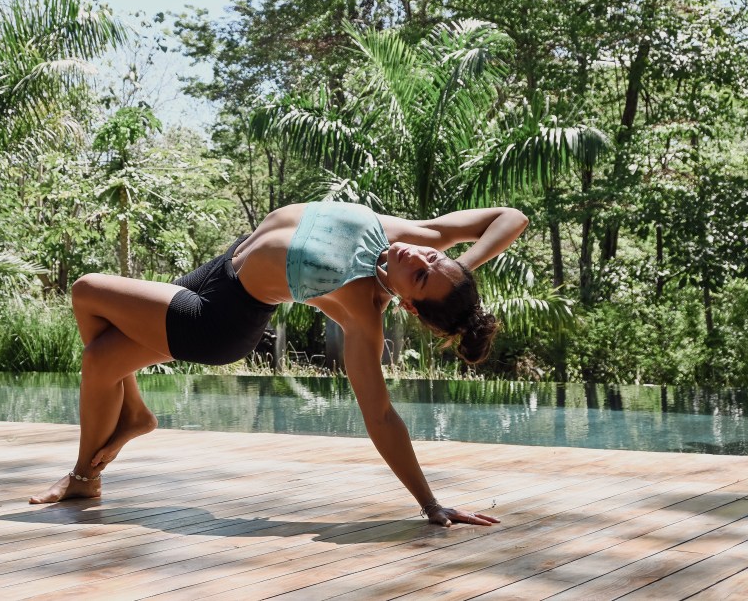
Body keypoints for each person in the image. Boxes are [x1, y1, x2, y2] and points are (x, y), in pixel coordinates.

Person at [29, 202, 528, 527]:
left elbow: (380, 415)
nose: (417, 257)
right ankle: (96, 466)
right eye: (433, 259)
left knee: (87, 290)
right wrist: (461, 266)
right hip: (215, 273)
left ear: (410, 305)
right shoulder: (415, 235)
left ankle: (95, 459)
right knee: (99, 360)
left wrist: (429, 503)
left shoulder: (363, 310)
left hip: (218, 319)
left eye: (419, 275)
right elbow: (511, 217)